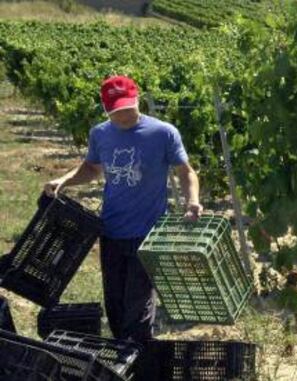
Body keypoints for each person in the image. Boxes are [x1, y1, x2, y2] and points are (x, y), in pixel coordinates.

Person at [44, 75, 203, 341]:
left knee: (138, 308)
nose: (124, 116)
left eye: (128, 108)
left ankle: (139, 358)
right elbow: (92, 168)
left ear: (137, 99)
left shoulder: (163, 133)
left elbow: (186, 172)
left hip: (149, 234)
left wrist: (193, 200)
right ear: (106, 109)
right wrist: (64, 180)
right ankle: (124, 357)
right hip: (111, 230)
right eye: (117, 111)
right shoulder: (100, 134)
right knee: (115, 306)